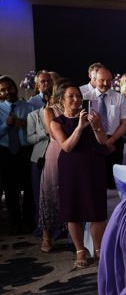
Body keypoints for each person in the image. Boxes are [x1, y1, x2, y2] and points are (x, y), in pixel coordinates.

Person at [49, 82, 110, 268]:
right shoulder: (56, 122)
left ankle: (99, 249)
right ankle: (80, 250)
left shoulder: (91, 116)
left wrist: (97, 126)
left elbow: (103, 141)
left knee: (97, 211)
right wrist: (80, 127)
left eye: (78, 96)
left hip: (94, 166)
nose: (76, 99)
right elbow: (67, 146)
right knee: (73, 211)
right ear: (62, 100)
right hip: (71, 169)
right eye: (71, 96)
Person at [0, 76, 35, 233]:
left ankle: (28, 221)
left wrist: (27, 125)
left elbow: (39, 130)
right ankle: (14, 222)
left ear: (15, 88)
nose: (7, 91)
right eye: (2, 90)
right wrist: (5, 125)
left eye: (9, 88)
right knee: (10, 188)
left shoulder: (29, 107)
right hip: (5, 153)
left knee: (29, 187)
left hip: (26, 152)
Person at [87, 67, 126, 188]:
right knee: (95, 179)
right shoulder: (87, 97)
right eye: (102, 80)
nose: (106, 83)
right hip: (93, 142)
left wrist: (109, 142)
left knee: (113, 181)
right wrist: (102, 142)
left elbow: (124, 124)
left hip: (114, 142)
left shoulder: (119, 97)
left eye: (109, 80)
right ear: (95, 80)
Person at [37, 80, 67, 252]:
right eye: (69, 94)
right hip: (56, 153)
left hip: (74, 152)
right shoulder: (50, 110)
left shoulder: (77, 109)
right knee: (50, 192)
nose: (74, 98)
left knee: (71, 192)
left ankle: (73, 233)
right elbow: (53, 134)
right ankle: (46, 237)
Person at [26, 90, 50, 241]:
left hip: (57, 158)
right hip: (39, 158)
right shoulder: (33, 115)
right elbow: (29, 139)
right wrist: (44, 133)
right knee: (40, 195)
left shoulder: (62, 114)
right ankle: (43, 228)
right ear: (47, 98)